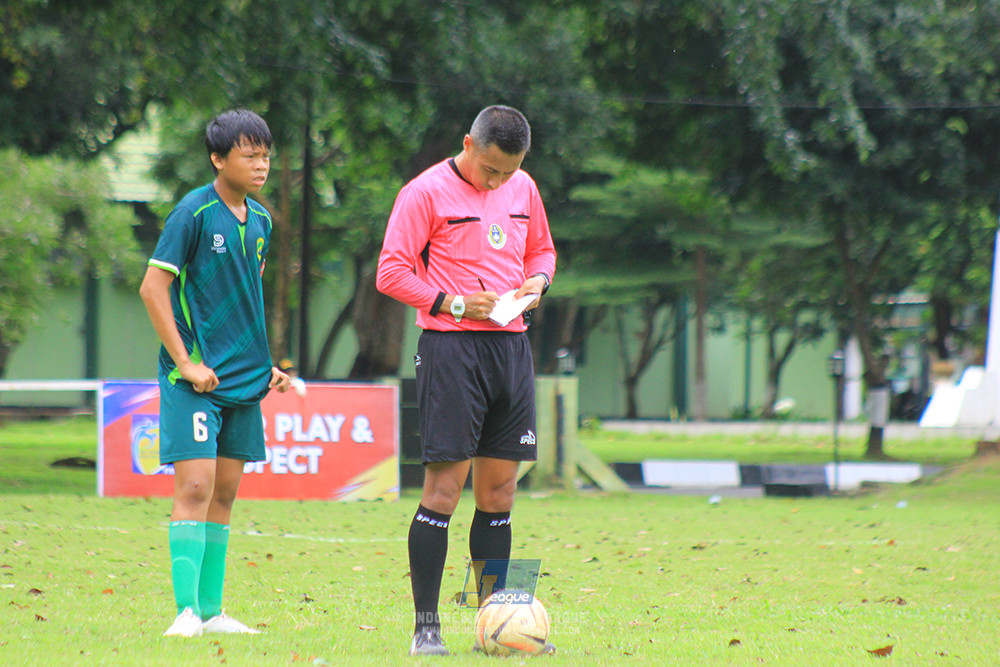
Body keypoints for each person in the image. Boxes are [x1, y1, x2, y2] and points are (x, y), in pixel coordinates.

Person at [376, 105, 556, 656]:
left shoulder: (524, 188)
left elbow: (543, 251)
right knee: (444, 491)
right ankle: (425, 627)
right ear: (468, 144)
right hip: (452, 350)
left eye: (510, 170)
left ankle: (495, 622)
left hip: (511, 348)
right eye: (491, 169)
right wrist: (453, 301)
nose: (499, 181)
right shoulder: (424, 192)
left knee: (499, 492)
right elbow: (391, 271)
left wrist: (538, 282)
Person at [139, 108, 292, 637]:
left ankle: (211, 611)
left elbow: (243, 300)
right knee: (196, 486)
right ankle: (184, 613)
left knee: (225, 494)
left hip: (244, 383)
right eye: (250, 155)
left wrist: (266, 365)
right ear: (218, 157)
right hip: (194, 382)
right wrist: (186, 362)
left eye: (266, 155)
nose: (261, 165)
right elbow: (152, 289)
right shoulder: (193, 213)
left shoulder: (263, 222)